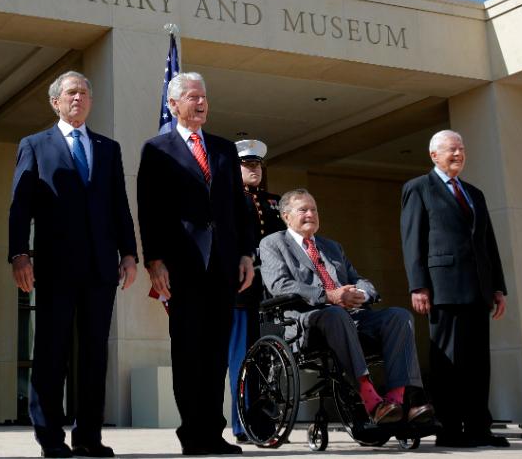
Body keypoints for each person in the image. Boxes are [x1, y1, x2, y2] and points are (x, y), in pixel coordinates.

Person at [9, 72, 138, 459]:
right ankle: (50, 438)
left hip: (101, 268)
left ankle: (88, 436)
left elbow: (120, 207)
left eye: (84, 92)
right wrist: (19, 254)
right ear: (56, 102)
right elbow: (20, 206)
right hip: (55, 267)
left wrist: (129, 254)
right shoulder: (35, 145)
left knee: (94, 355)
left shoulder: (108, 148)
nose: (78, 98)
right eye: (71, 93)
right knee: (52, 352)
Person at [136, 72, 255, 456]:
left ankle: (212, 431)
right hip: (183, 266)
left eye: (203, 96)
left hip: (223, 266)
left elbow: (240, 207)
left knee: (216, 352)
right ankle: (192, 433)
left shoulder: (223, 149)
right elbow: (149, 209)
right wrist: (154, 260)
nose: (201, 102)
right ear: (173, 105)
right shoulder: (157, 149)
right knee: (188, 351)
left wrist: (246, 254)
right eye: (192, 97)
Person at [260, 189, 435, 427]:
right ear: (286, 216)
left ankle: (399, 400)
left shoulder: (332, 247)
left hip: (353, 317)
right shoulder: (273, 244)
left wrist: (361, 293)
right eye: (303, 210)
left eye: (314, 209)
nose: (311, 214)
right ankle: (370, 398)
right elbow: (280, 285)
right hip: (308, 322)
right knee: (335, 313)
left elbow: (358, 279)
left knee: (399, 316)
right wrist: (329, 296)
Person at [400, 130, 508, 448]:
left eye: (461, 148)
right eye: (451, 149)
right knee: (448, 361)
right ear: (434, 155)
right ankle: (449, 427)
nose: (458, 154)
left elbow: (488, 243)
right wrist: (418, 285)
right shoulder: (418, 188)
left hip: (478, 289)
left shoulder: (474, 193)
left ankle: (479, 426)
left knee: (478, 362)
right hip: (442, 287)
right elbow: (412, 240)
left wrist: (497, 287)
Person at [226, 140, 286, 443]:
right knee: (242, 358)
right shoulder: (227, 200)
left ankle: (265, 421)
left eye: (257, 165)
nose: (254, 170)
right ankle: (242, 424)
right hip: (241, 292)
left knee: (269, 360)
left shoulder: (274, 202)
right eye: (248, 165)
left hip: (271, 292)